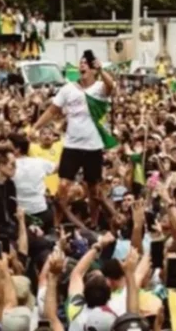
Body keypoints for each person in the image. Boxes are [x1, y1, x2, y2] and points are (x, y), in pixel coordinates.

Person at [33, 50, 116, 228]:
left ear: (93, 69)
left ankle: (93, 222)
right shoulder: (68, 89)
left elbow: (111, 86)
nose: (82, 65)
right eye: (81, 63)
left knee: (93, 189)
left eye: (86, 63)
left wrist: (101, 70)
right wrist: (35, 127)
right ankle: (56, 222)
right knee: (63, 186)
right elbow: (52, 111)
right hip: (72, 145)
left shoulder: (99, 88)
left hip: (93, 146)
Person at [9, 133, 56, 232]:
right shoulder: (40, 162)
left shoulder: (7, 167)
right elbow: (56, 168)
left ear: (16, 149)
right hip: (44, 213)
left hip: (22, 218)